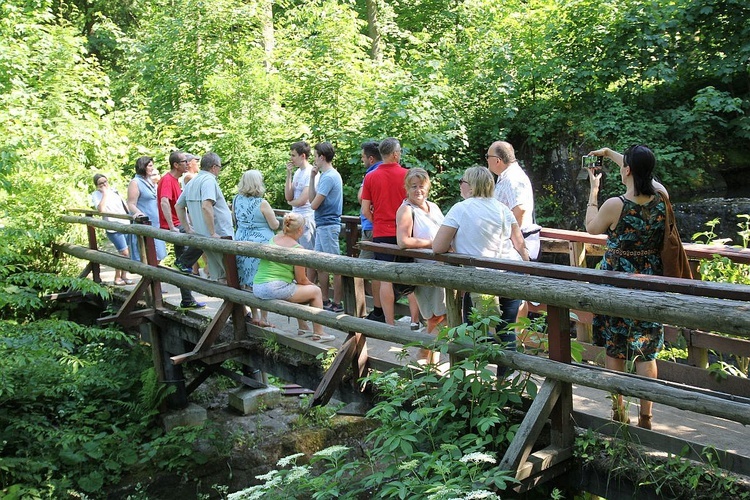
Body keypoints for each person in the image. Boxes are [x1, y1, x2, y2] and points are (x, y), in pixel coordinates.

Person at [585, 145, 668, 430]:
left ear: (628, 170)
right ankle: (646, 417)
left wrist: (593, 192)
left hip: (617, 281)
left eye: (624, 165)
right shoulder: (661, 197)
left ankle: (619, 414)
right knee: (647, 349)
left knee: (615, 347)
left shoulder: (614, 204)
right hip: (650, 280)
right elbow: (646, 175)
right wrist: (611, 154)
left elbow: (591, 229)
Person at [432, 167, 529, 375]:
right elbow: (520, 245)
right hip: (511, 273)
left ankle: (474, 382)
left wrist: (453, 246)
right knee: (507, 330)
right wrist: (528, 270)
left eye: (462, 181)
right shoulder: (503, 208)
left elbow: (437, 247)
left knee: (475, 332)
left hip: (482, 280)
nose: (460, 185)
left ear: (470, 185)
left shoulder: (460, 209)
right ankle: (505, 383)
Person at [253, 213, 334, 342]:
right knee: (316, 292)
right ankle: (319, 332)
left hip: (258, 286)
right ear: (300, 229)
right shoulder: (297, 248)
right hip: (274, 288)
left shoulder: (274, 238)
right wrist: (313, 286)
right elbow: (302, 279)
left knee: (298, 288)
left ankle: (303, 328)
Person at [396, 168, 446, 364]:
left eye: (422, 186)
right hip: (423, 269)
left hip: (442, 267)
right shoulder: (406, 209)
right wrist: (433, 244)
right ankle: (423, 353)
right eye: (414, 186)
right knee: (435, 316)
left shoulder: (433, 207)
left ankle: (432, 359)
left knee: (445, 314)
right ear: (407, 188)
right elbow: (402, 241)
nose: (418, 190)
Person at [360, 137, 409, 325]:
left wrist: (378, 221)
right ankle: (415, 319)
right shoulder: (407, 175)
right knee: (410, 274)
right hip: (405, 231)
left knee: (384, 278)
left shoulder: (370, 177)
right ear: (395, 154)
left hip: (381, 233)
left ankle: (389, 322)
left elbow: (365, 210)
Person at [157, 150, 206, 309]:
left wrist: (187, 225)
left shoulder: (175, 180)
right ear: (176, 164)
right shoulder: (167, 180)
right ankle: (182, 262)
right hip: (174, 227)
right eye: (184, 161)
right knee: (203, 239)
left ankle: (187, 300)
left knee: (183, 269)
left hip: (179, 225)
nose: (188, 163)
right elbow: (164, 201)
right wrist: (172, 227)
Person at [175, 152, 233, 282]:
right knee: (230, 274)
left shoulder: (192, 182)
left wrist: (189, 229)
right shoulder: (209, 181)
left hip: (203, 235)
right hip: (219, 235)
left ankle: (228, 302)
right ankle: (233, 302)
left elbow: (178, 206)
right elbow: (206, 205)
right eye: (219, 167)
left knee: (219, 276)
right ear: (213, 167)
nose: (219, 170)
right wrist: (212, 233)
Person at [233, 169, 280, 327]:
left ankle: (254, 314)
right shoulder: (262, 203)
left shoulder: (236, 200)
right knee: (261, 280)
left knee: (247, 280)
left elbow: (236, 220)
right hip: (260, 245)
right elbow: (274, 224)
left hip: (241, 241)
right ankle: (264, 318)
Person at [308, 141, 344, 313]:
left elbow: (313, 205)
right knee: (320, 264)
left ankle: (337, 303)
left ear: (321, 157)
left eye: (315, 156)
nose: (314, 160)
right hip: (323, 225)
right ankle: (324, 299)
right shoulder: (324, 175)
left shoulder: (329, 176)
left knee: (335, 265)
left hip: (329, 226)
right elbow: (312, 201)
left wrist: (314, 178)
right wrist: (311, 177)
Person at [357, 141, 385, 322]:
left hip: (372, 228)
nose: (362, 160)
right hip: (385, 229)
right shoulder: (391, 170)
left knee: (361, 270)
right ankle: (382, 310)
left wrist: (375, 221)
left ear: (371, 158)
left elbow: (362, 199)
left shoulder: (372, 173)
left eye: (363, 157)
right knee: (382, 270)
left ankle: (370, 311)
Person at [90, 174, 134, 285]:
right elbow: (101, 210)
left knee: (127, 253)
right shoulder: (96, 195)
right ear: (97, 185)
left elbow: (124, 206)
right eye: (101, 183)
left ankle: (123, 276)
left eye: (105, 181)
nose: (104, 184)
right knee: (124, 252)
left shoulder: (114, 191)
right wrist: (104, 193)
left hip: (125, 224)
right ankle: (117, 277)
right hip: (112, 227)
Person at [126, 156, 167, 264]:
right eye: (149, 166)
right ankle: (151, 279)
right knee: (149, 256)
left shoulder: (150, 181)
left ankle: (153, 279)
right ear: (142, 166)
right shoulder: (135, 182)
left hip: (156, 224)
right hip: (145, 224)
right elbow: (130, 204)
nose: (152, 168)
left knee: (159, 255)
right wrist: (138, 213)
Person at [285, 141, 316, 252]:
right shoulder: (298, 172)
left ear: (302, 156)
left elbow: (302, 200)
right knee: (295, 253)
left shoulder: (311, 172)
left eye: (293, 155)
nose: (291, 158)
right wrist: (289, 174)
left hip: (306, 220)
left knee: (307, 253)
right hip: (295, 219)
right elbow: (288, 196)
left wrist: (291, 203)